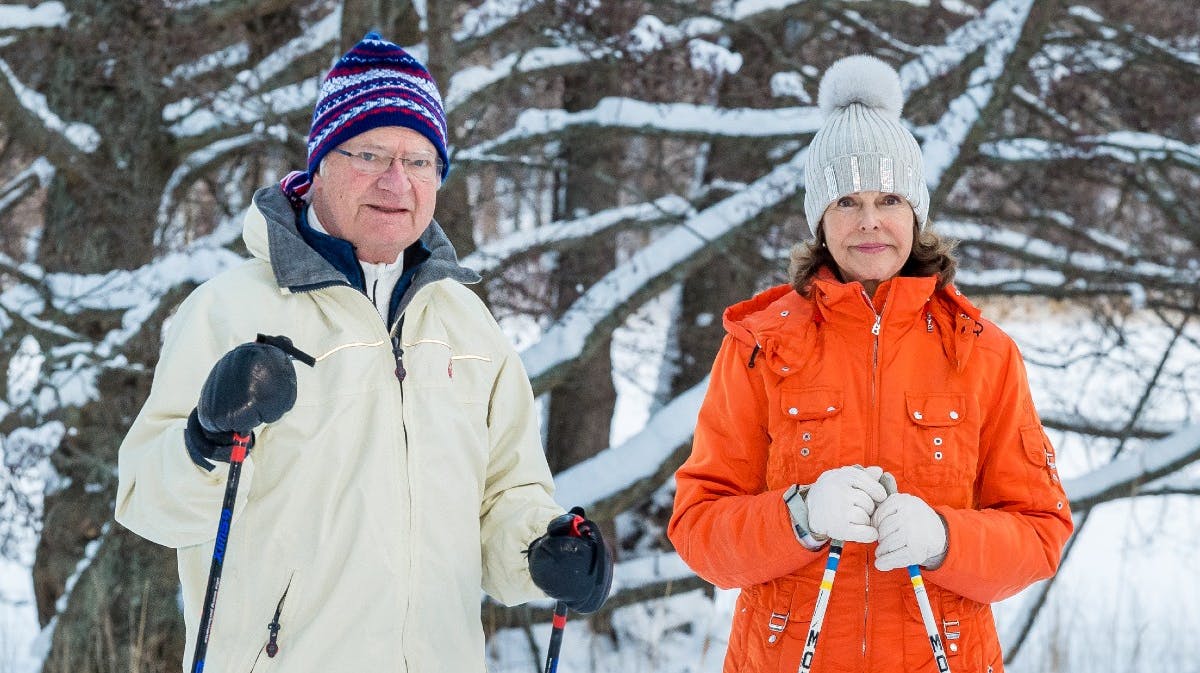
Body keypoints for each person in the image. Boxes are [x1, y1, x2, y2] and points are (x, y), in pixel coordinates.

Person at [115, 32, 611, 673]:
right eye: (370, 153)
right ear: (320, 163)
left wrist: (543, 553)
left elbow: (504, 498)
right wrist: (203, 439)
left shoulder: (467, 326)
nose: (396, 182)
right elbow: (146, 501)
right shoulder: (230, 311)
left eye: (420, 161)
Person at [667, 54, 1073, 673]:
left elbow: (1040, 534)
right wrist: (797, 517)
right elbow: (700, 531)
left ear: (916, 211)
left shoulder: (983, 353)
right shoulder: (758, 347)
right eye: (846, 202)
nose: (870, 222)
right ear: (819, 220)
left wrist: (946, 539)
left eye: (888, 198)